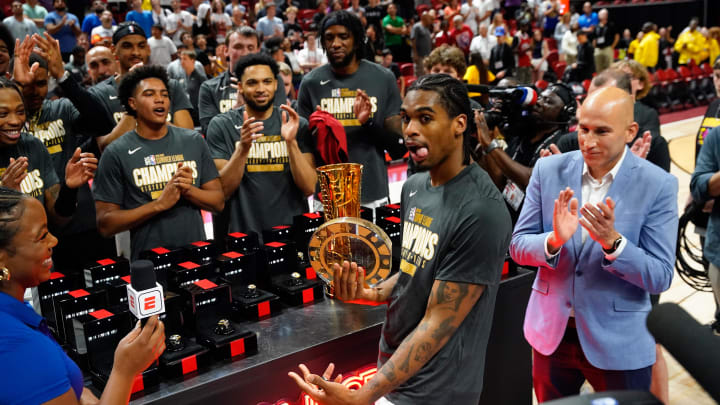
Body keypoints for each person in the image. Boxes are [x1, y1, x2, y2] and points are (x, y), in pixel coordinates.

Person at [290, 73, 511, 404]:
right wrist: (371, 292)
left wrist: (363, 395)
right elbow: (413, 270)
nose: (410, 130)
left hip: (439, 390)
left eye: (425, 118)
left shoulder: (482, 210)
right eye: (406, 118)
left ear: (459, 124)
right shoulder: (415, 187)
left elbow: (439, 322)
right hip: (394, 373)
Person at [510, 86, 677, 402]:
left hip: (620, 338)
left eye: (601, 131)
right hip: (551, 334)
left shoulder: (659, 185)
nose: (588, 140)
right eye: (583, 128)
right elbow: (518, 246)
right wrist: (553, 240)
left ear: (630, 132)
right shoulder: (548, 170)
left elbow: (661, 276)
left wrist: (614, 244)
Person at [0, 185, 166, 405]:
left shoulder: (16, 317)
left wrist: (73, 390)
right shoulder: (20, 348)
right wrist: (124, 371)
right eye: (41, 236)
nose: (54, 241)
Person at [93, 65, 224, 259]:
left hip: (196, 256)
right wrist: (158, 205)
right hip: (149, 263)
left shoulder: (193, 141)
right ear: (132, 103)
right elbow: (105, 224)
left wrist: (188, 190)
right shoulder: (116, 152)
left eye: (164, 94)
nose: (159, 99)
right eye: (149, 94)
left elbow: (218, 202)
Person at [14, 34, 117, 270]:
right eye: (26, 84)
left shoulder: (61, 108)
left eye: (41, 84)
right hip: (27, 231)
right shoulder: (7, 122)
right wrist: (16, 87)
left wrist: (64, 76)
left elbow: (101, 123)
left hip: (80, 222)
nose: (34, 91)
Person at [297, 11, 405, 208]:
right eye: (329, 38)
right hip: (327, 198)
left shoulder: (383, 78)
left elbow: (398, 149)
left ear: (356, 41)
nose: (335, 43)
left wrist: (368, 122)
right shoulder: (310, 83)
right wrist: (316, 132)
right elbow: (303, 148)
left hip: (372, 195)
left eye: (343, 36)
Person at [206, 53, 315, 238]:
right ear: (240, 87)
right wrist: (242, 149)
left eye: (266, 81)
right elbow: (221, 191)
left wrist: (291, 143)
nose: (261, 88)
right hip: (242, 238)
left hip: (291, 235)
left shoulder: (296, 123)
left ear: (275, 84)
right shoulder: (222, 125)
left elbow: (309, 187)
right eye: (252, 83)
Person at [88, 22, 194, 153]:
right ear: (113, 50)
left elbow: (189, 140)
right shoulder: (98, 94)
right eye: (127, 46)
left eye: (141, 46)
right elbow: (105, 148)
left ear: (148, 49)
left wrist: (149, 117)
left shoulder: (171, 86)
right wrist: (133, 95)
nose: (136, 52)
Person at [477, 83, 574, 221]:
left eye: (548, 101)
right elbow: (500, 180)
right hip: (506, 216)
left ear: (563, 114)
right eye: (540, 98)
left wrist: (490, 144)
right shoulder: (524, 135)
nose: (539, 103)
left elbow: (529, 180)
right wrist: (487, 141)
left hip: (532, 224)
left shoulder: (561, 144)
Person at [197, 27, 288, 133]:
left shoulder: (273, 81)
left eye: (250, 47)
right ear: (226, 50)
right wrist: (237, 110)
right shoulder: (209, 88)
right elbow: (209, 132)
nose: (245, 53)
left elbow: (279, 124)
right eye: (238, 47)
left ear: (258, 51)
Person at [167, 48, 207, 126]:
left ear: (192, 60)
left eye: (185, 59)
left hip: (197, 112)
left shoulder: (200, 77)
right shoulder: (178, 76)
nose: (182, 62)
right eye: (181, 59)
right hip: (185, 110)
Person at [593, 9, 618, 73]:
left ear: (607, 15)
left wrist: (612, 47)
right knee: (598, 68)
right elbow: (594, 38)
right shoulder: (596, 26)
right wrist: (594, 47)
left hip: (608, 48)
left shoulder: (611, 25)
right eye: (601, 14)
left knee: (609, 68)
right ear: (598, 16)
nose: (603, 15)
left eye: (604, 14)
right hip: (598, 49)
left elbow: (617, 37)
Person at [410, 10, 433, 77]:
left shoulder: (427, 28)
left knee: (425, 73)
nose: (429, 20)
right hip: (419, 55)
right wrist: (415, 54)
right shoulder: (417, 27)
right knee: (419, 73)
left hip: (426, 55)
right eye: (428, 18)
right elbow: (413, 40)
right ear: (423, 18)